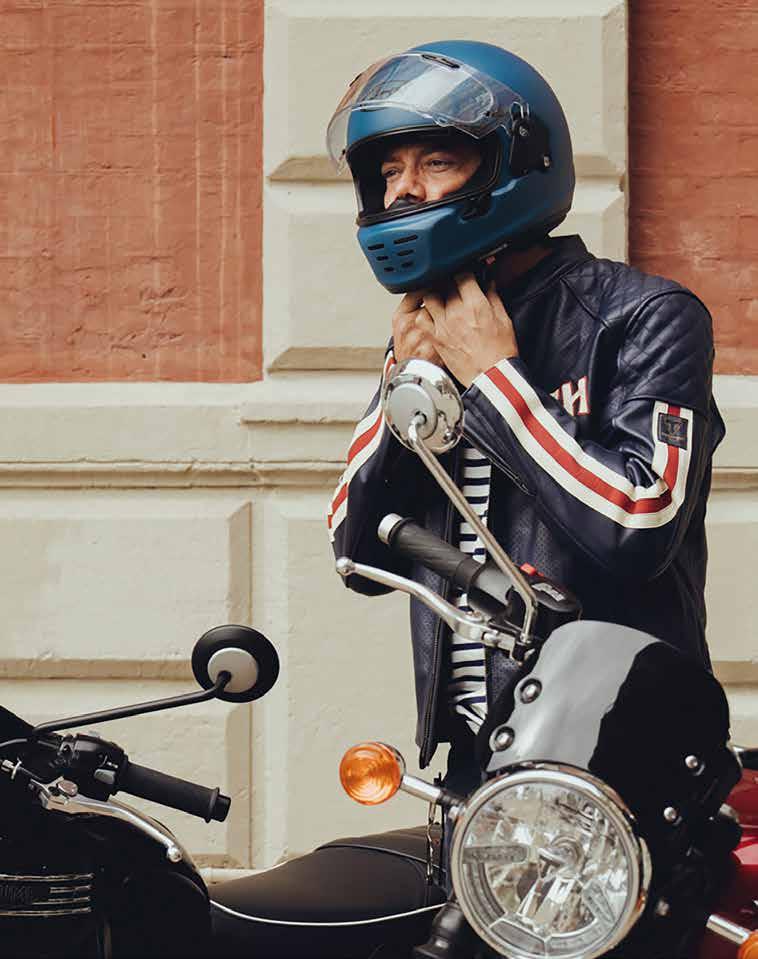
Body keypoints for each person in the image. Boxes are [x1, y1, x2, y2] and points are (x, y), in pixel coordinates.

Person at [326, 41, 725, 793]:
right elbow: (355, 554)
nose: (403, 192)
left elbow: (638, 526)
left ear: (516, 162)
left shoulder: (644, 316)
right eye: (388, 172)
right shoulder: (429, 330)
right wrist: (404, 382)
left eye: (435, 162)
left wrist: (496, 383)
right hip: (475, 766)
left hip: (623, 756)